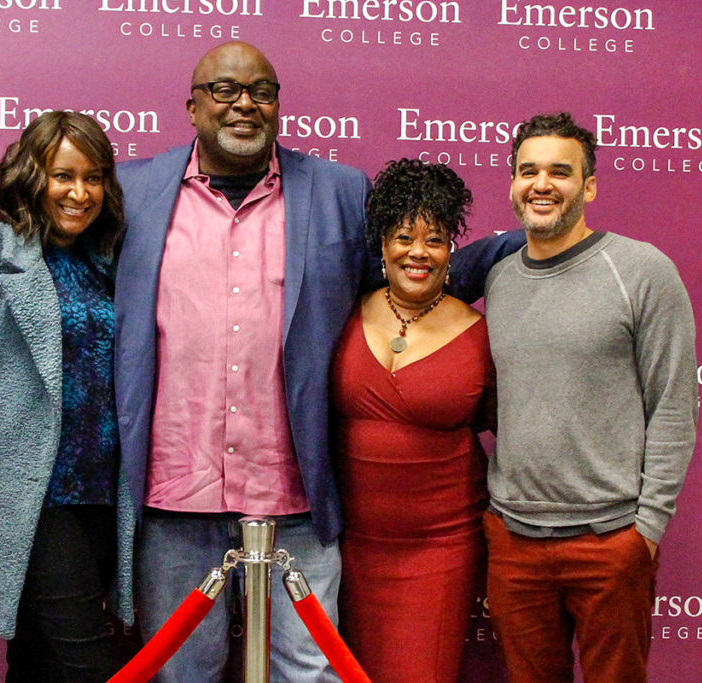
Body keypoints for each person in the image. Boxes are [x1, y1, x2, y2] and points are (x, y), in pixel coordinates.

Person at [114, 40, 524, 681]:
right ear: (192, 106)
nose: (244, 104)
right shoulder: (133, 192)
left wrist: (533, 242)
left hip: (296, 493)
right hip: (174, 496)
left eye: (262, 91)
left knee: (309, 671)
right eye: (225, 90)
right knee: (180, 673)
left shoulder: (338, 191)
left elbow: (404, 278)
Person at [483, 112, 698, 682]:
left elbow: (673, 407)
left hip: (610, 540)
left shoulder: (643, 271)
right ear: (512, 183)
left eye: (560, 171)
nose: (542, 184)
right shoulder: (499, 281)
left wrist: (645, 531)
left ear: (590, 186)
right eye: (528, 171)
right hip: (514, 540)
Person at [0, 111, 126, 682]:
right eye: (63, 176)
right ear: (31, 177)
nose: (80, 193)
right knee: (88, 666)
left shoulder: (110, 261)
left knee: (39, 663)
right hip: (30, 498)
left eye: (93, 178)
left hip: (101, 492)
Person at [331, 159, 492, 683]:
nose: (418, 252)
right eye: (404, 237)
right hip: (346, 550)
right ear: (382, 245)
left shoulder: (480, 335)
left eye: (435, 240)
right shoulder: (341, 313)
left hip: (440, 550)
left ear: (451, 251)